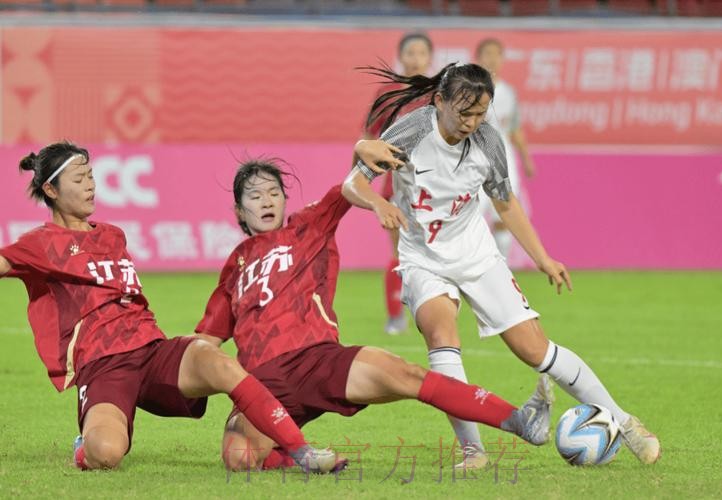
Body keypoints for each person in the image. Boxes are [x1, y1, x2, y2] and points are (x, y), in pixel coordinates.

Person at [341, 63, 661, 468]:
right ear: (439, 102)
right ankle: (473, 451)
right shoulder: (412, 132)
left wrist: (542, 257)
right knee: (441, 336)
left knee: (535, 350)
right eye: (464, 113)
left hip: (477, 254)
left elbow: (505, 203)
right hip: (423, 260)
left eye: (480, 114)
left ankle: (624, 422)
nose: (472, 123)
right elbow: (352, 184)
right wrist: (378, 202)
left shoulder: (488, 142)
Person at [193, 156, 554, 472]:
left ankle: (521, 420)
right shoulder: (234, 267)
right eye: (255, 196)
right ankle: (300, 460)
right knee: (237, 457)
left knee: (408, 375)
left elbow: (350, 186)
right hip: (262, 383)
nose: (267, 201)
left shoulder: (308, 224)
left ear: (285, 199)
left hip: (318, 361)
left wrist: (369, 171)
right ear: (239, 211)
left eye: (274, 192)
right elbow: (206, 342)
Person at [0, 142, 340, 474]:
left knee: (219, 362)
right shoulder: (40, 242)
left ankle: (302, 451)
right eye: (78, 179)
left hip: (152, 351)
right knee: (106, 453)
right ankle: (84, 446)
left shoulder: (113, 235)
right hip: (104, 367)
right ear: (51, 189)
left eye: (90, 176)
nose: (90, 186)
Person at [360, 32, 434, 335]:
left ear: (430, 58)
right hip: (397, 185)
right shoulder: (388, 92)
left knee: (431, 254)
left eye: (421, 53)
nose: (416, 58)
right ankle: (395, 316)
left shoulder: (438, 93)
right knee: (400, 251)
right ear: (400, 56)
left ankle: (427, 312)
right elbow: (369, 136)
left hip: (434, 185)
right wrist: (362, 176)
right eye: (410, 52)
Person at [475, 37, 537, 261]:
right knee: (473, 213)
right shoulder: (470, 90)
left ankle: (502, 266)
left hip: (504, 156)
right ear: (478, 58)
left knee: (503, 213)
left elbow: (514, 129)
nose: (492, 59)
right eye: (487, 53)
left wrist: (526, 158)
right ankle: (472, 265)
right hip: (476, 155)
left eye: (497, 54)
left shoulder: (508, 92)